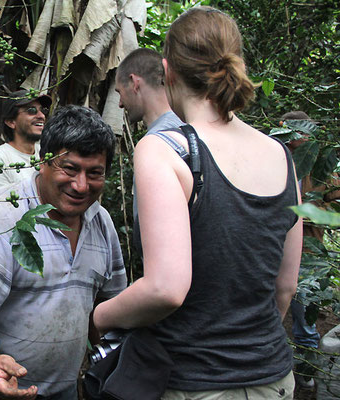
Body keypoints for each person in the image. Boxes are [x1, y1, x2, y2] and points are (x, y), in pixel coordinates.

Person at [93, 6, 302, 399]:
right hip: (273, 379)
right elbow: (285, 286)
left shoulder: (164, 150)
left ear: (168, 71)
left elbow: (166, 289)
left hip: (194, 382)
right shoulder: (281, 156)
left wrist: (99, 317)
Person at [0, 105, 127, 399]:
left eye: (94, 173)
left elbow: (110, 305)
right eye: (70, 168)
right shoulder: (2, 214)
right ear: (43, 161)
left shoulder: (101, 222)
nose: (81, 185)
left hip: (62, 389)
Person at [283, 110, 340, 387]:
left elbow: (333, 195)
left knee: (305, 317)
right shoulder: (277, 160)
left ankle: (306, 374)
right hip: (277, 251)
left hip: (310, 256)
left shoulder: (318, 167)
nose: (305, 137)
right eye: (301, 132)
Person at [115, 48, 183, 253]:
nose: (119, 103)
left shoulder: (158, 143)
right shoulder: (189, 128)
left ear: (135, 82)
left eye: (120, 92)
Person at [0, 90, 52, 196]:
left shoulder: (48, 152)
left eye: (43, 110)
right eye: (31, 110)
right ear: (11, 122)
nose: (41, 116)